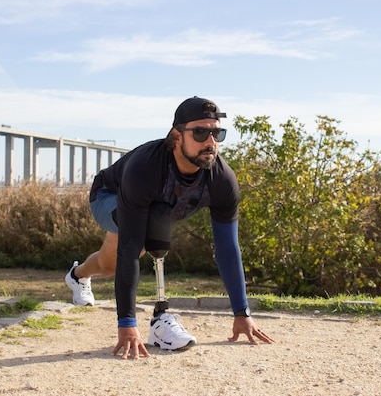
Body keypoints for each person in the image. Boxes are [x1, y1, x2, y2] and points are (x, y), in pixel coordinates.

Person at [65, 96, 275, 359]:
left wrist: (242, 313)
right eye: (200, 133)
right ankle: (160, 319)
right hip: (107, 197)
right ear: (176, 137)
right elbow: (130, 249)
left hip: (147, 210)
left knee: (109, 264)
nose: (210, 142)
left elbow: (228, 248)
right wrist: (127, 324)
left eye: (217, 133)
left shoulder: (222, 180)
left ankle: (78, 275)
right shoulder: (145, 169)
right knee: (147, 228)